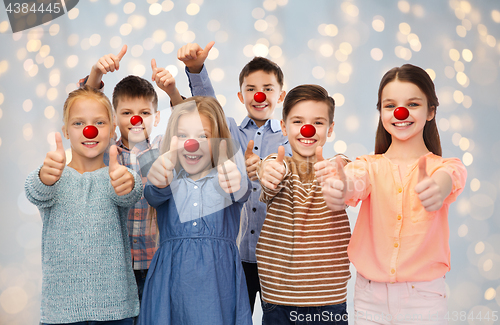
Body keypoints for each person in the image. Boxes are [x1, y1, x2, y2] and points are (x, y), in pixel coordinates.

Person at [321, 64, 467, 324]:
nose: (400, 112)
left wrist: (439, 186)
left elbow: (451, 177)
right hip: (369, 297)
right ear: (381, 113)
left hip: (424, 297)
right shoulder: (367, 165)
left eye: (413, 104)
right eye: (390, 106)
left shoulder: (444, 167)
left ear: (430, 111)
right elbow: (355, 182)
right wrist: (340, 187)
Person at [177, 42, 292, 313]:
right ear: (241, 96)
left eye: (267, 89)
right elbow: (208, 106)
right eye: (251, 89)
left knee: (277, 317)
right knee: (233, 315)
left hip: (275, 256)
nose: (259, 96)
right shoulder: (228, 131)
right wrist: (196, 70)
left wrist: (265, 167)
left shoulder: (291, 137)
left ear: (281, 95)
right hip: (236, 255)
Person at [25, 86, 143, 325]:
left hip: (115, 310)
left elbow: (130, 192)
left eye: (99, 123)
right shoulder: (53, 177)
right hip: (61, 311)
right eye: (78, 123)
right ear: (65, 132)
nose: (89, 130)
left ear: (111, 129)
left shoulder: (119, 176)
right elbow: (35, 192)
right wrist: (44, 177)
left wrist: (129, 182)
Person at [79, 46, 183, 304]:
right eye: (127, 113)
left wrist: (172, 91)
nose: (136, 119)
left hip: (155, 261)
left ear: (157, 118)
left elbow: (189, 122)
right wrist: (96, 74)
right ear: (113, 118)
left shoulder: (162, 148)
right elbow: (84, 111)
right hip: (113, 264)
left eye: (144, 113)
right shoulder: (106, 149)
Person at [137, 96, 253, 325]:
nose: (192, 144)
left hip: (218, 288)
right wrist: (159, 178)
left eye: (203, 136)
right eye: (182, 136)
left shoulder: (228, 178)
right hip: (170, 288)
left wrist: (235, 178)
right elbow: (153, 193)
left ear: (219, 140)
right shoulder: (167, 178)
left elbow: (242, 191)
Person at [257, 84, 351, 324]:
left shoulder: (339, 168)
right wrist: (267, 170)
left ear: (330, 130)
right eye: (298, 121)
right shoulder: (278, 165)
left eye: (318, 123)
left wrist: (343, 179)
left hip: (329, 298)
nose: (307, 129)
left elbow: (351, 179)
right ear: (283, 127)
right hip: (279, 299)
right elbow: (269, 176)